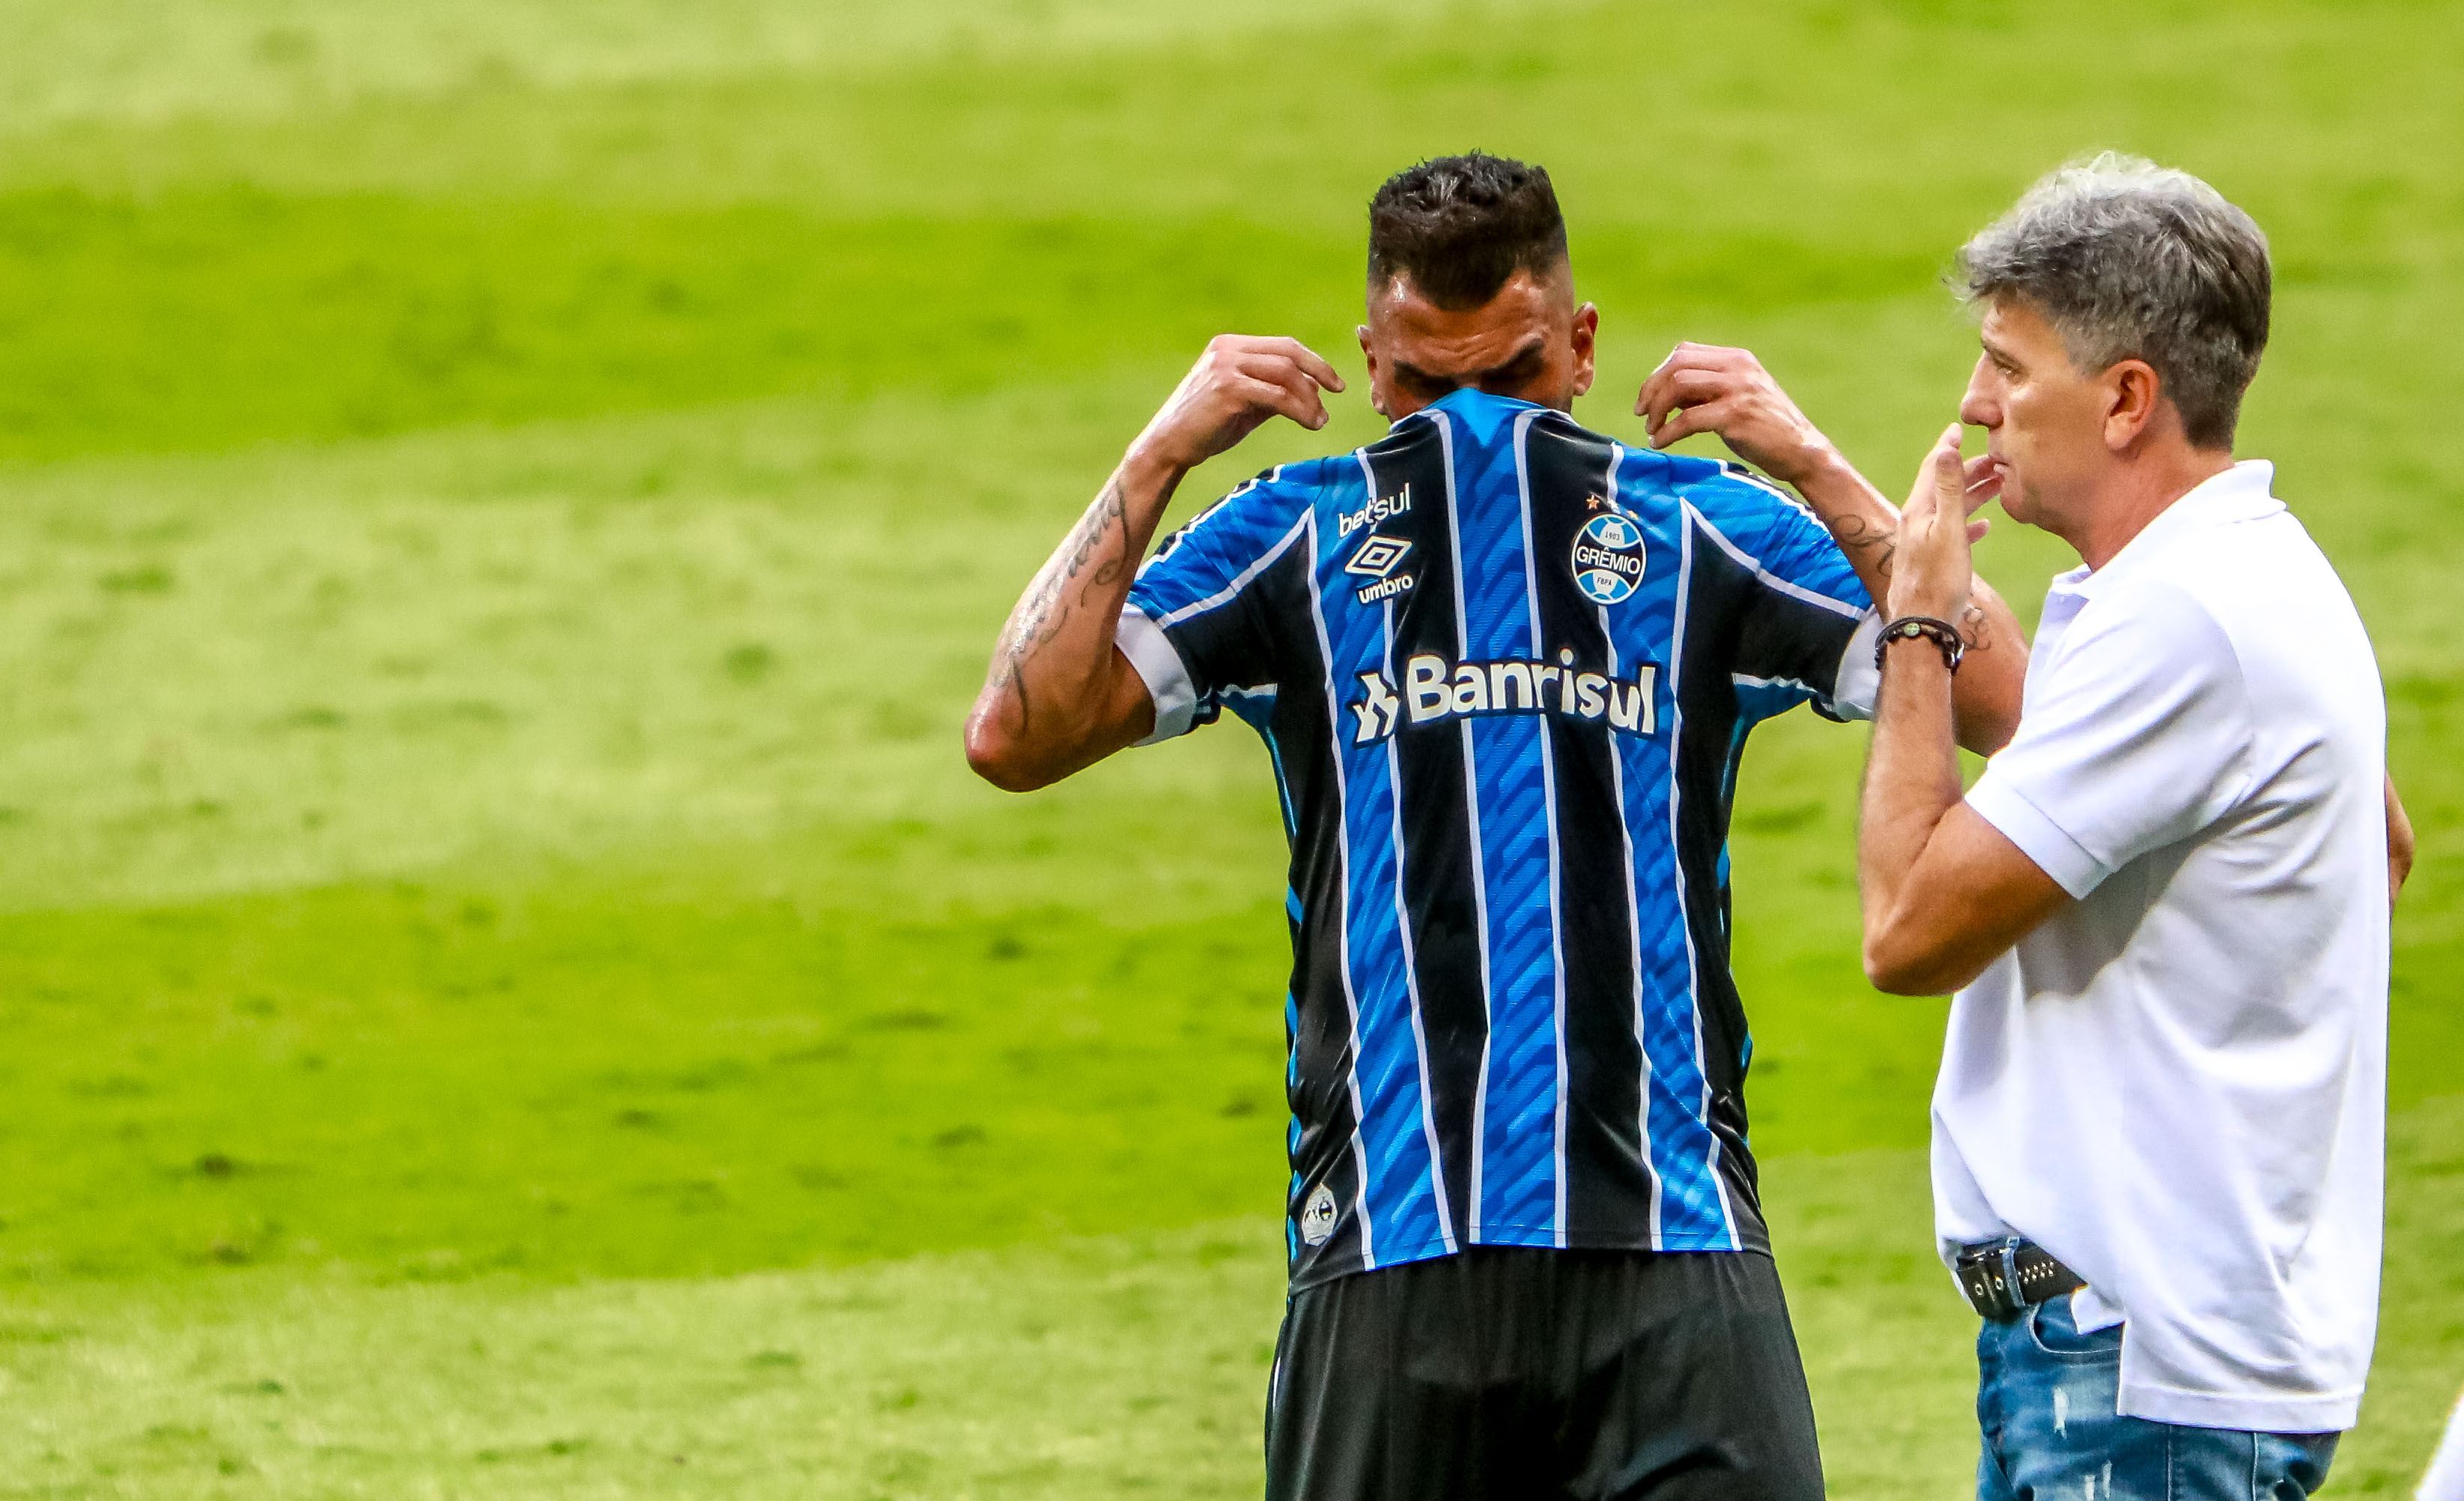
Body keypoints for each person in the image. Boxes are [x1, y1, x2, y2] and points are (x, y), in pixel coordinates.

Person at [965, 152, 2028, 1500]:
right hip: (1391, 1255)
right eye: (1423, 388)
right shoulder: (1294, 533)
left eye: (1512, 378)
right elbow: (1016, 731)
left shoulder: (1696, 527)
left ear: (1582, 349)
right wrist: (1158, 450)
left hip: (1671, 1244)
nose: (1473, 431)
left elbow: (2001, 700)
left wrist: (1807, 456)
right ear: (1367, 362)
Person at [1848, 155, 2414, 1500]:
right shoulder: (2236, 574)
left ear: (2123, 399)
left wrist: (1920, 624)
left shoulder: (2183, 623)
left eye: (2007, 367)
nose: (1975, 405)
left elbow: (1906, 929)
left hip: (2144, 1376)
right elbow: (2372, 852)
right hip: (2145, 1356)